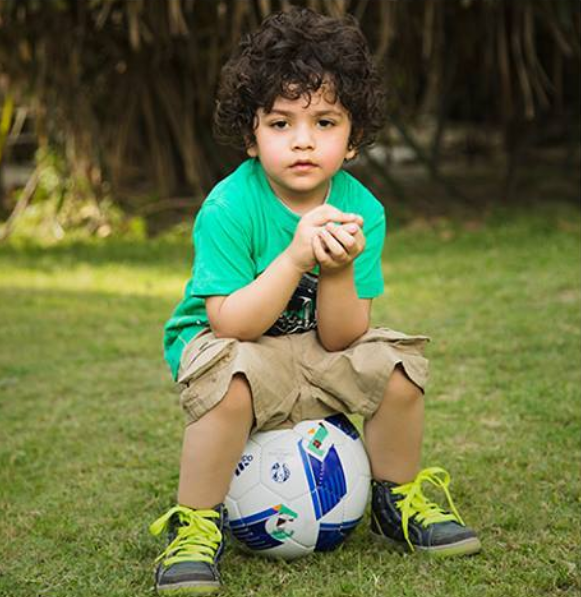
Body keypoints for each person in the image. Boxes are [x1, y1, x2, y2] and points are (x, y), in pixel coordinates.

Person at [149, 7, 481, 595]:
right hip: (232, 347)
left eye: (325, 122)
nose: (303, 140)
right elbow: (231, 323)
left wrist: (339, 266)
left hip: (312, 349)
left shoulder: (363, 211)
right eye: (281, 123)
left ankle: (396, 499)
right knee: (233, 384)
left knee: (398, 370)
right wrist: (296, 258)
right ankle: (198, 522)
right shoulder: (229, 207)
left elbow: (342, 338)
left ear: (353, 138)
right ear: (251, 135)